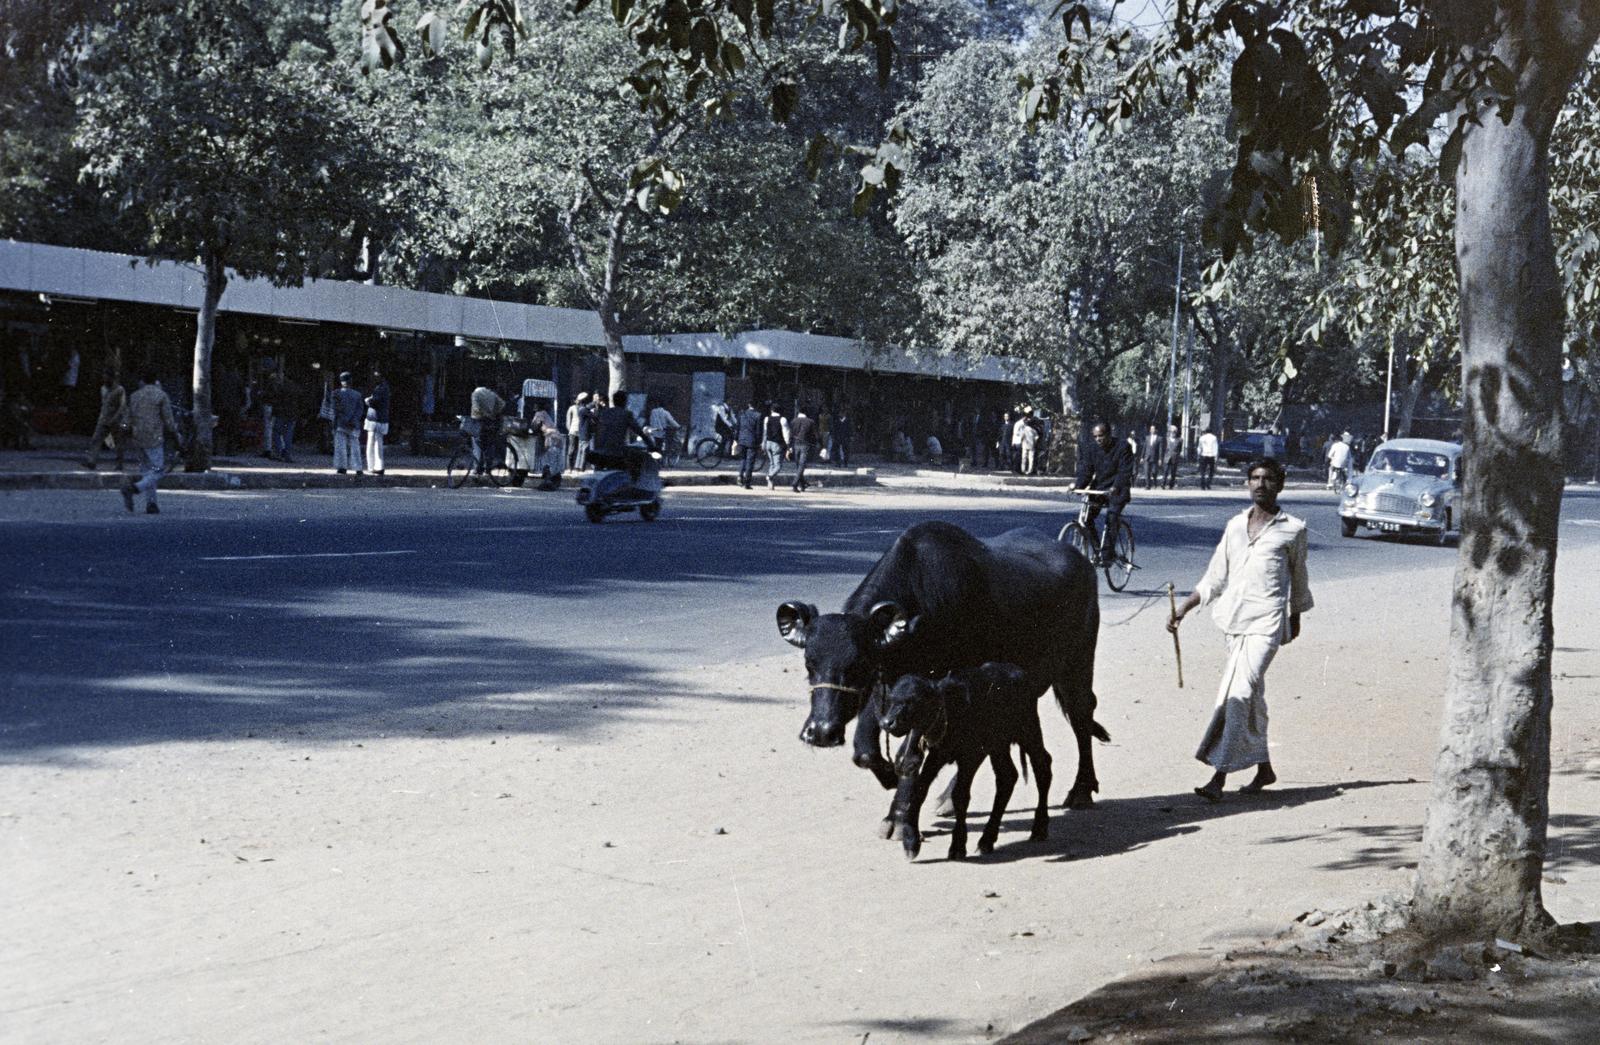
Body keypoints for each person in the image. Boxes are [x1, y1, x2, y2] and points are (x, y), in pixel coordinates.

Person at [1168, 457, 1313, 802]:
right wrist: (1184, 608)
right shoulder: (1234, 526)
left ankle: (1218, 776)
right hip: (1234, 621)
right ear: (1247, 484)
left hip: (1268, 623)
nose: (1260, 484)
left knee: (1238, 692)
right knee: (1253, 697)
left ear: (1280, 485)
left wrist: (1295, 618)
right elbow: (1215, 577)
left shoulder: (1293, 529)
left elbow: (1299, 578)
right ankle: (1264, 768)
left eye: (1268, 479)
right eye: (1255, 478)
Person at [1073, 422, 1137, 560]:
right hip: (1100, 489)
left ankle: (1108, 554)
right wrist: (1077, 486)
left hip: (1118, 490)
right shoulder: (1092, 449)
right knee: (1087, 518)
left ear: (1109, 434)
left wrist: (1116, 486)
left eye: (1101, 436)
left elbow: (1125, 471)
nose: (1098, 439)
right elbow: (1086, 471)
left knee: (1112, 517)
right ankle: (1097, 549)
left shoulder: (1123, 446)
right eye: (1095, 436)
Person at [119, 367, 178, 515]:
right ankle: (135, 488)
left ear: (142, 381)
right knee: (158, 471)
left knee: (147, 471)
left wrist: (124, 430)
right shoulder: (161, 395)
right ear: (155, 380)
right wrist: (175, 434)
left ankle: (152, 504)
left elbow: (127, 418)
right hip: (154, 437)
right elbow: (169, 421)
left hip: (138, 437)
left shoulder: (134, 396)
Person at [588, 389, 654, 481]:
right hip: (615, 453)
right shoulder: (626, 414)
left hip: (598, 451)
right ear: (625, 402)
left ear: (614, 401)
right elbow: (638, 431)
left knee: (598, 473)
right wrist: (651, 444)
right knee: (633, 469)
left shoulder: (604, 412)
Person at [81, 369, 128, 471]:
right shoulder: (103, 388)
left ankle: (119, 464)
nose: (104, 379)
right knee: (96, 439)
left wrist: (115, 418)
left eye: (106, 377)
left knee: (118, 443)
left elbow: (122, 406)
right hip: (104, 419)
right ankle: (92, 461)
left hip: (116, 420)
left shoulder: (120, 390)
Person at [332, 372, 365, 474]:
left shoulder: (336, 393)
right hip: (354, 424)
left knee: (340, 446)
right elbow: (360, 410)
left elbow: (336, 409)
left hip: (341, 423)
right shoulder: (357, 394)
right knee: (355, 446)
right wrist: (354, 420)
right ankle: (358, 468)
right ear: (351, 381)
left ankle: (342, 467)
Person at [470, 382, 506, 476]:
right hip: (490, 422)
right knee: (489, 445)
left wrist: (479, 414)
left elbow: (476, 409)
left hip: (479, 422)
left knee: (477, 445)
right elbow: (502, 404)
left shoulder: (476, 392)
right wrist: (493, 413)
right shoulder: (492, 394)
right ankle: (488, 468)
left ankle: (477, 468)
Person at [365, 368, 391, 476]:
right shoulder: (382, 388)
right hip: (378, 419)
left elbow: (375, 401)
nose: (374, 378)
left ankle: (376, 466)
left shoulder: (381, 388)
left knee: (374, 444)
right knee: (376, 443)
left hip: (376, 419)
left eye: (377, 376)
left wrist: (367, 400)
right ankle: (375, 466)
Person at [734, 400, 763, 488]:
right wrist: (759, 442)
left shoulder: (742, 414)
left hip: (741, 439)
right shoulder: (758, 415)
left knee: (743, 459)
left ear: (748, 405)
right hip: (752, 441)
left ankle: (740, 476)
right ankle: (747, 482)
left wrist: (736, 439)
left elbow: (737, 428)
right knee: (750, 462)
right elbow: (758, 431)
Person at [790, 407, 817, 492]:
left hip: (795, 444)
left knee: (798, 465)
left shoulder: (793, 421)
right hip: (805, 444)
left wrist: (789, 446)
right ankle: (795, 483)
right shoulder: (810, 422)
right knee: (802, 465)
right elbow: (815, 434)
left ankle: (803, 484)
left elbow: (791, 434)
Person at [762, 402, 788, 489]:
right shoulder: (782, 419)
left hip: (768, 442)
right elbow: (786, 433)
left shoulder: (767, 419)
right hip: (777, 443)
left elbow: (765, 432)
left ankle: (770, 484)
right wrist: (787, 444)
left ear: (771, 410)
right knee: (778, 465)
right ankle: (769, 476)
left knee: (771, 463)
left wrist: (763, 442)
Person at [565, 392, 590, 470]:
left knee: (580, 449)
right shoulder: (572, 408)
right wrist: (569, 429)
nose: (578, 401)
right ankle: (570, 467)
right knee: (571, 449)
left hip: (581, 430)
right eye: (576, 400)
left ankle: (577, 466)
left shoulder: (583, 408)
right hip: (573, 430)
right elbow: (568, 420)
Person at [1143, 424, 1163, 489]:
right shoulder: (1147, 437)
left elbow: (1160, 449)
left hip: (1155, 457)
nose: (1152, 430)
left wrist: (1160, 459)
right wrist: (1142, 457)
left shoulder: (1159, 438)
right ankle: (1147, 485)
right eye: (1151, 429)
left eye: (1153, 429)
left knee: (1154, 472)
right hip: (1147, 457)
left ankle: (1154, 482)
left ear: (1156, 430)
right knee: (1146, 471)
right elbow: (1144, 448)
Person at [1163, 423, 1183, 489]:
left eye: (1174, 431)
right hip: (1167, 457)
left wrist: (1176, 455)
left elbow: (1179, 449)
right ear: (1169, 432)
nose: (1173, 433)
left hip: (1174, 458)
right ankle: (1163, 484)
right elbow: (1164, 449)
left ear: (1176, 432)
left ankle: (1171, 485)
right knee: (1165, 472)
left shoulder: (1179, 440)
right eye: (1171, 431)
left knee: (1173, 473)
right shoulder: (1166, 439)